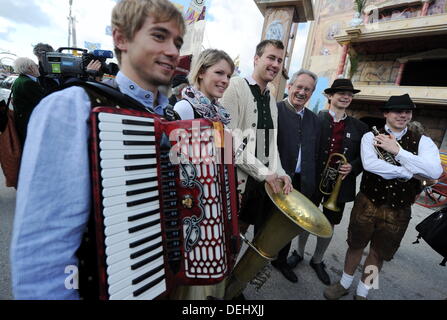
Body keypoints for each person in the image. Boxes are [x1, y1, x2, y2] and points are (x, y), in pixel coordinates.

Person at [10, 0, 185, 300]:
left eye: (177, 42)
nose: (173, 50)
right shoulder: (70, 107)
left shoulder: (171, 119)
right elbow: (42, 260)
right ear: (121, 39)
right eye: (159, 36)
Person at [324, 94, 443, 300]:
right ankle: (344, 283)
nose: (403, 115)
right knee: (355, 245)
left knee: (379, 254)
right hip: (367, 202)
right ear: (386, 113)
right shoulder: (371, 136)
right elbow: (371, 165)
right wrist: (409, 172)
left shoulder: (423, 141)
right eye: (398, 110)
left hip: (399, 209)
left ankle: (363, 291)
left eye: (407, 111)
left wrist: (398, 152)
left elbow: (433, 172)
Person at [287, 78, 368, 285]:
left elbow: (365, 157)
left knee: (329, 223)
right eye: (340, 93)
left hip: (340, 184)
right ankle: (299, 251)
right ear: (330, 96)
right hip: (313, 180)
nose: (345, 97)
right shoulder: (313, 119)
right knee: (307, 218)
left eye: (349, 94)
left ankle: (318, 259)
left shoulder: (360, 127)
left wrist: (353, 166)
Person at [171, 48, 235, 300]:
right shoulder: (184, 109)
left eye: (229, 75)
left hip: (214, 202)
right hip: (191, 205)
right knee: (190, 274)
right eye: (219, 72)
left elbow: (224, 159)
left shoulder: (219, 114)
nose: (225, 80)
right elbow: (173, 163)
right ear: (200, 73)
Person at [220, 39, 293, 235]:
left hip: (258, 184)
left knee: (240, 234)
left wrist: (281, 172)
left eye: (280, 60)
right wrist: (264, 172)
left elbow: (270, 144)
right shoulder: (234, 87)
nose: (276, 64)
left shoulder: (270, 98)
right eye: (271, 58)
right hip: (235, 182)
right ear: (256, 59)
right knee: (226, 237)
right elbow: (229, 144)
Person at [271, 69, 321, 283]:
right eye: (298, 87)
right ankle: (252, 264)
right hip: (275, 178)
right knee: (267, 222)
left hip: (301, 182)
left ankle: (280, 260)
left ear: (312, 93)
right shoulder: (275, 109)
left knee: (289, 224)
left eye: (307, 89)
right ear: (289, 86)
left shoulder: (314, 119)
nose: (302, 92)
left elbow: (315, 153)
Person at [10, 57, 45, 147]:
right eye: (36, 66)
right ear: (30, 68)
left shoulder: (19, 80)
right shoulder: (28, 83)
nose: (38, 68)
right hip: (28, 125)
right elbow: (43, 102)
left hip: (22, 123)